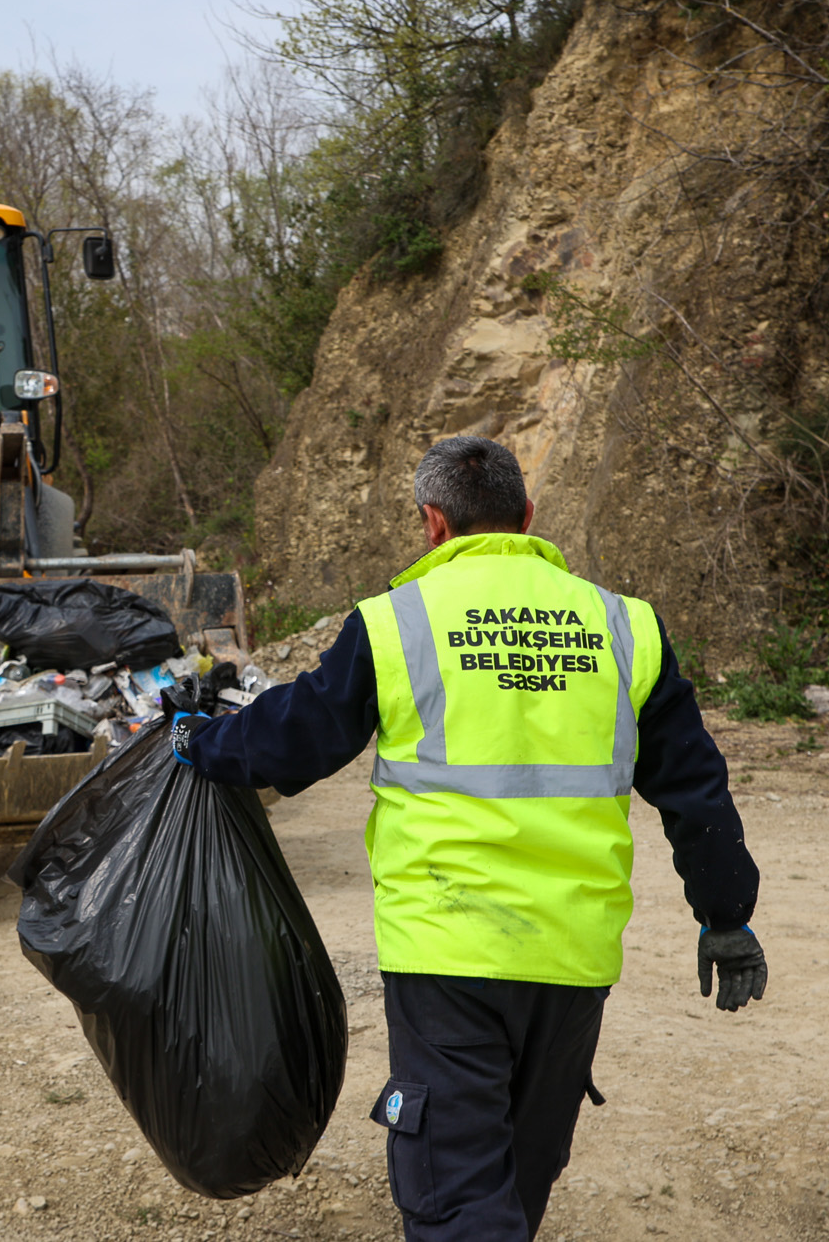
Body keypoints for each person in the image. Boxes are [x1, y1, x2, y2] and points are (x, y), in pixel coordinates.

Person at [173, 435, 764, 1241]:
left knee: (459, 1198)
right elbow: (695, 786)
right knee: (517, 1178)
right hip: (571, 955)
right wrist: (726, 914)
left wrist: (199, 740)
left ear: (433, 523)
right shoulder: (625, 626)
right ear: (527, 517)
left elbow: (295, 738)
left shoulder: (398, 622)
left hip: (446, 949)